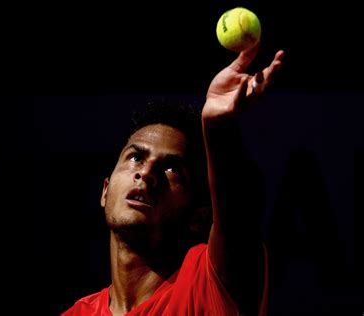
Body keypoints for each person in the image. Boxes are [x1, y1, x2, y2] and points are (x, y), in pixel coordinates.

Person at [61, 44, 284, 316]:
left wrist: (216, 125)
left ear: (199, 217)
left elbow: (237, 217)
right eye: (135, 157)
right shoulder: (77, 313)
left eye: (172, 169)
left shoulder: (207, 283)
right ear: (105, 191)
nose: (147, 173)